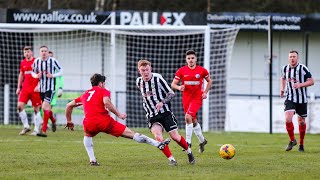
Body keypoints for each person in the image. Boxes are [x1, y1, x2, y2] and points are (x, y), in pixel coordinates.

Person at [64, 73, 171, 166]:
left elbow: (69, 105)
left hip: (89, 123)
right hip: (105, 122)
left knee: (87, 136)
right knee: (131, 134)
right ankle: (157, 144)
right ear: (101, 84)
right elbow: (106, 102)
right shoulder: (103, 91)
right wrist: (119, 114)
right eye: (104, 83)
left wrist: (69, 120)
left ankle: (92, 160)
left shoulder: (85, 94)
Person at [136, 60, 195, 166]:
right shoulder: (138, 82)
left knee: (175, 137)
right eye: (143, 70)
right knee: (158, 137)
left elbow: (171, 93)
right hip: (152, 116)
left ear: (151, 69)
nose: (145, 72)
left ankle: (189, 151)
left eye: (147, 70)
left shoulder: (157, 79)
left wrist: (162, 102)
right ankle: (172, 160)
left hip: (165, 113)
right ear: (139, 71)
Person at [171, 49, 212, 153]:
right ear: (186, 59)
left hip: (197, 98)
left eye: (192, 58)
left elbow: (209, 81)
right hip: (186, 98)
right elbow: (173, 84)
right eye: (189, 58)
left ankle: (188, 143)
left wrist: (205, 92)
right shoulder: (181, 70)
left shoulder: (202, 70)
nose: (191, 60)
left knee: (187, 117)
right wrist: (179, 87)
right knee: (193, 121)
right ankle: (202, 141)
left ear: (196, 59)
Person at [280, 50, 314, 152]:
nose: (292, 58)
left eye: (294, 56)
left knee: (301, 122)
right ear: (288, 58)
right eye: (290, 57)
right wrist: (282, 89)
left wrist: (300, 85)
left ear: (297, 58)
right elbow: (283, 78)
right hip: (290, 98)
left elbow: (312, 81)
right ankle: (292, 140)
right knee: (288, 119)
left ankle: (301, 144)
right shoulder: (285, 68)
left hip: (302, 99)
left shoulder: (303, 68)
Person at [32, 45, 63, 137]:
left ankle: (44, 130)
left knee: (45, 107)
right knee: (46, 108)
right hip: (41, 88)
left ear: (47, 52)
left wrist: (52, 75)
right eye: (42, 51)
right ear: (39, 52)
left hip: (50, 88)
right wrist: (36, 76)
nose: (44, 52)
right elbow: (33, 72)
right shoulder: (36, 61)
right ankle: (53, 120)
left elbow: (61, 71)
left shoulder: (53, 61)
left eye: (45, 51)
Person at [16, 46, 42, 136]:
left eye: (28, 52)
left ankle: (36, 129)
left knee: (36, 109)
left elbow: (41, 74)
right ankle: (26, 126)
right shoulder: (22, 63)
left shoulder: (37, 61)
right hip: (25, 88)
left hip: (35, 89)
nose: (26, 53)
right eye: (25, 52)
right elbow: (21, 75)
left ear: (32, 52)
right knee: (20, 106)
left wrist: (39, 85)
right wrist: (19, 87)